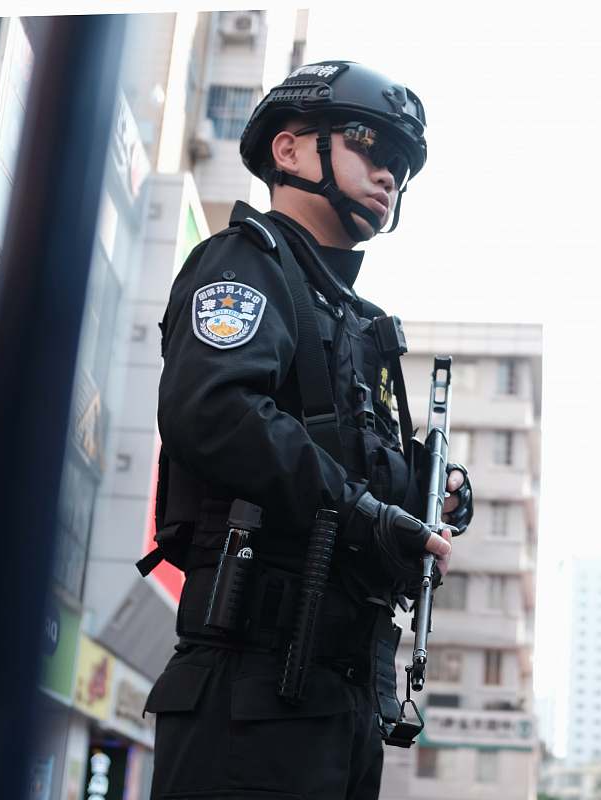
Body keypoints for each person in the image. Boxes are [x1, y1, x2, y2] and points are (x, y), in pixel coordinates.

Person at [140, 60, 474, 799]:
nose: (388, 173)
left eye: (400, 164)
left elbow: (347, 461)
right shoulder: (242, 262)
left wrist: (428, 491)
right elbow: (214, 412)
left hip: (346, 696)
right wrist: (365, 516)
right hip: (249, 688)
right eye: (368, 143)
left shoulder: (359, 322)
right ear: (289, 150)